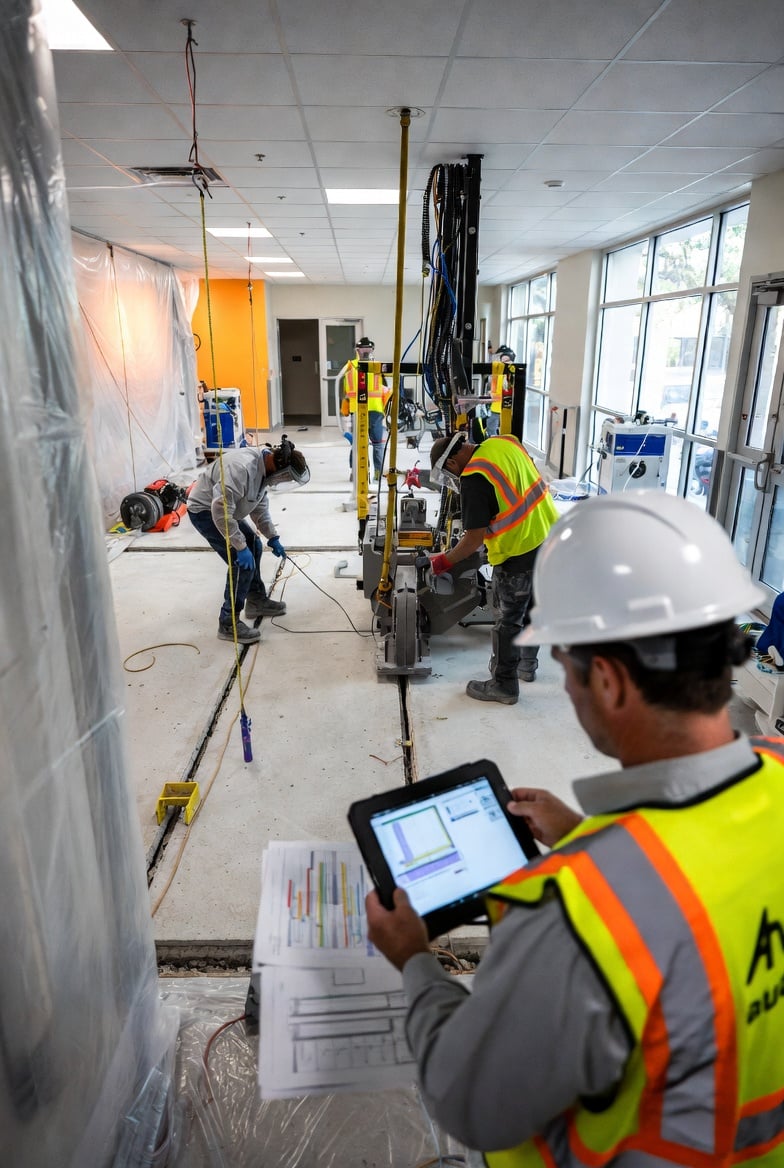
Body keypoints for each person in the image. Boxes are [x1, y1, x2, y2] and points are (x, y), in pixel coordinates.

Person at [366, 491, 784, 1167]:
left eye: (565, 667)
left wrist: (413, 957)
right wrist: (590, 835)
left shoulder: (576, 922)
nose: (565, 688)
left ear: (613, 683)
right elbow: (712, 871)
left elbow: (466, 1099)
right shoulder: (776, 768)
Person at [428, 431, 558, 704]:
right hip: (548, 534)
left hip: (517, 551)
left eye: (448, 474)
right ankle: (526, 666)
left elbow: (473, 540)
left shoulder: (473, 478)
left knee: (508, 620)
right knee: (534, 607)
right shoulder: (504, 441)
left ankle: (503, 685)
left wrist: (443, 561)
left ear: (451, 463)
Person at [187, 435, 310, 643]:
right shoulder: (241, 469)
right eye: (286, 477)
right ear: (278, 464)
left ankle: (255, 601)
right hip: (205, 510)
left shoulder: (264, 472)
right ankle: (228, 623)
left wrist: (272, 536)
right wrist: (238, 546)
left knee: (254, 545)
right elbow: (220, 509)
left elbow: (259, 507)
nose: (283, 481)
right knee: (241, 561)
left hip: (225, 510)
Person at [339, 336, 390, 480]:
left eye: (367, 349)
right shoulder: (377, 366)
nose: (365, 352)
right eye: (364, 349)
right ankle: (371, 474)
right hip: (370, 410)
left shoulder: (350, 367)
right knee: (373, 444)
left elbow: (345, 391)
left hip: (365, 410)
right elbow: (385, 388)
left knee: (360, 443)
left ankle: (358, 473)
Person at [485, 344, 515, 436]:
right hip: (496, 407)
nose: (504, 363)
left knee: (506, 431)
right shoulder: (498, 372)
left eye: (507, 361)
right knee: (491, 429)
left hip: (507, 409)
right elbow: (494, 388)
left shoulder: (513, 374)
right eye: (502, 361)